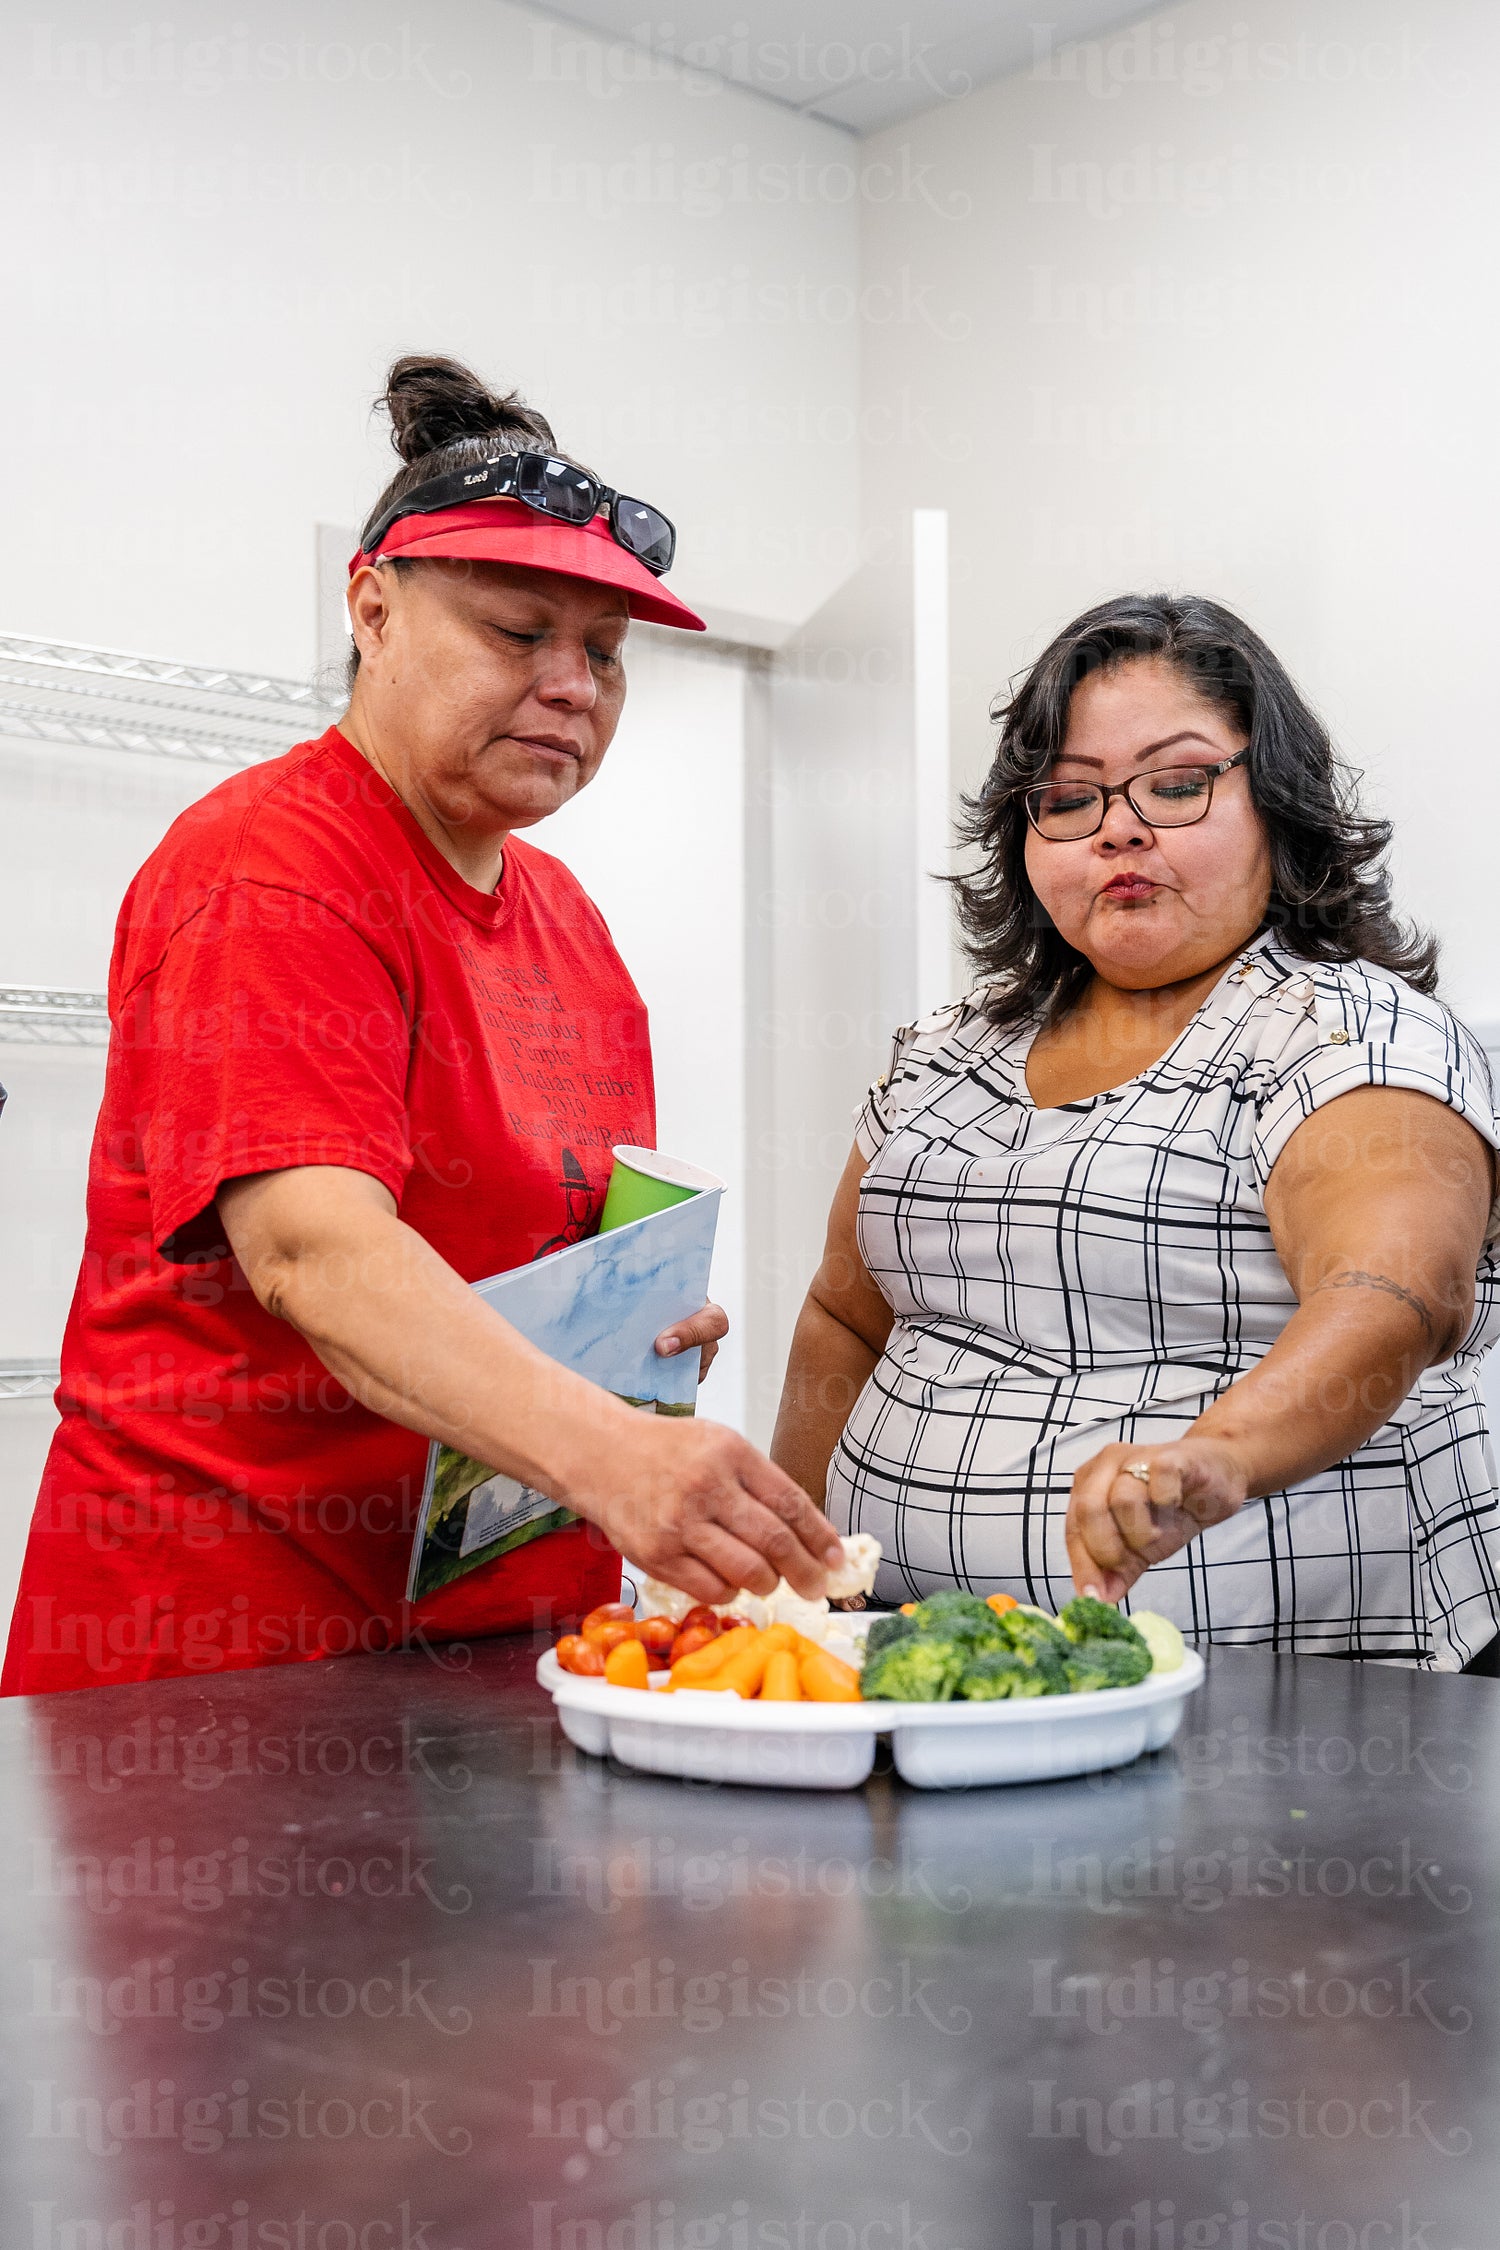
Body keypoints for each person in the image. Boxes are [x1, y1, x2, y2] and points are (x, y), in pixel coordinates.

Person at [4, 355, 839, 1695]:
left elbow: (525, 1245)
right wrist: (616, 1455)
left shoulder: (567, 917)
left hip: (492, 1629)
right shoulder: (273, 867)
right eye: (520, 631)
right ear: (374, 610)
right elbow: (313, 1253)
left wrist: (631, 1332)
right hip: (234, 1652)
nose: (575, 684)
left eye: (607, 656)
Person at [773, 593, 1500, 1668]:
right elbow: (846, 1316)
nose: (1120, 826)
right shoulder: (940, 1052)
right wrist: (780, 1567)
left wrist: (1217, 1460)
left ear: (1278, 804)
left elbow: (1394, 1294)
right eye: (1069, 798)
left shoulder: (1349, 1030)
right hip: (928, 1673)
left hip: (1302, 1690)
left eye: (1176, 783)